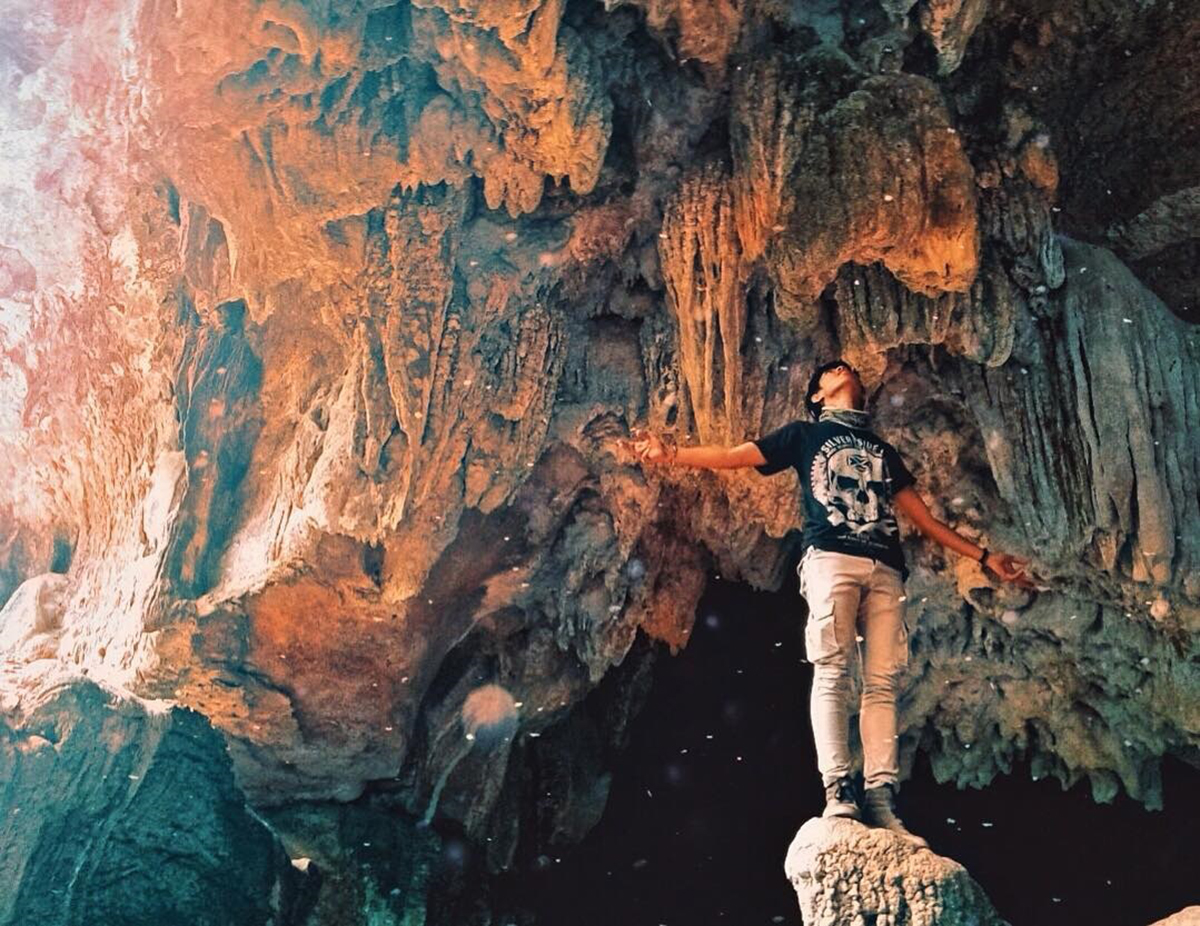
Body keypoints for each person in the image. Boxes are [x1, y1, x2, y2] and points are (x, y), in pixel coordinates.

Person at [619, 359, 1032, 848]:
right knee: (833, 670)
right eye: (831, 371)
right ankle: (838, 790)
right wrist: (670, 453)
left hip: (885, 567)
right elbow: (735, 455)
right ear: (817, 396)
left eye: (845, 368)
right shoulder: (805, 435)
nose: (843, 369)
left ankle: (881, 797)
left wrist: (984, 557)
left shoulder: (881, 450)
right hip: (831, 558)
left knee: (881, 683)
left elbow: (924, 521)